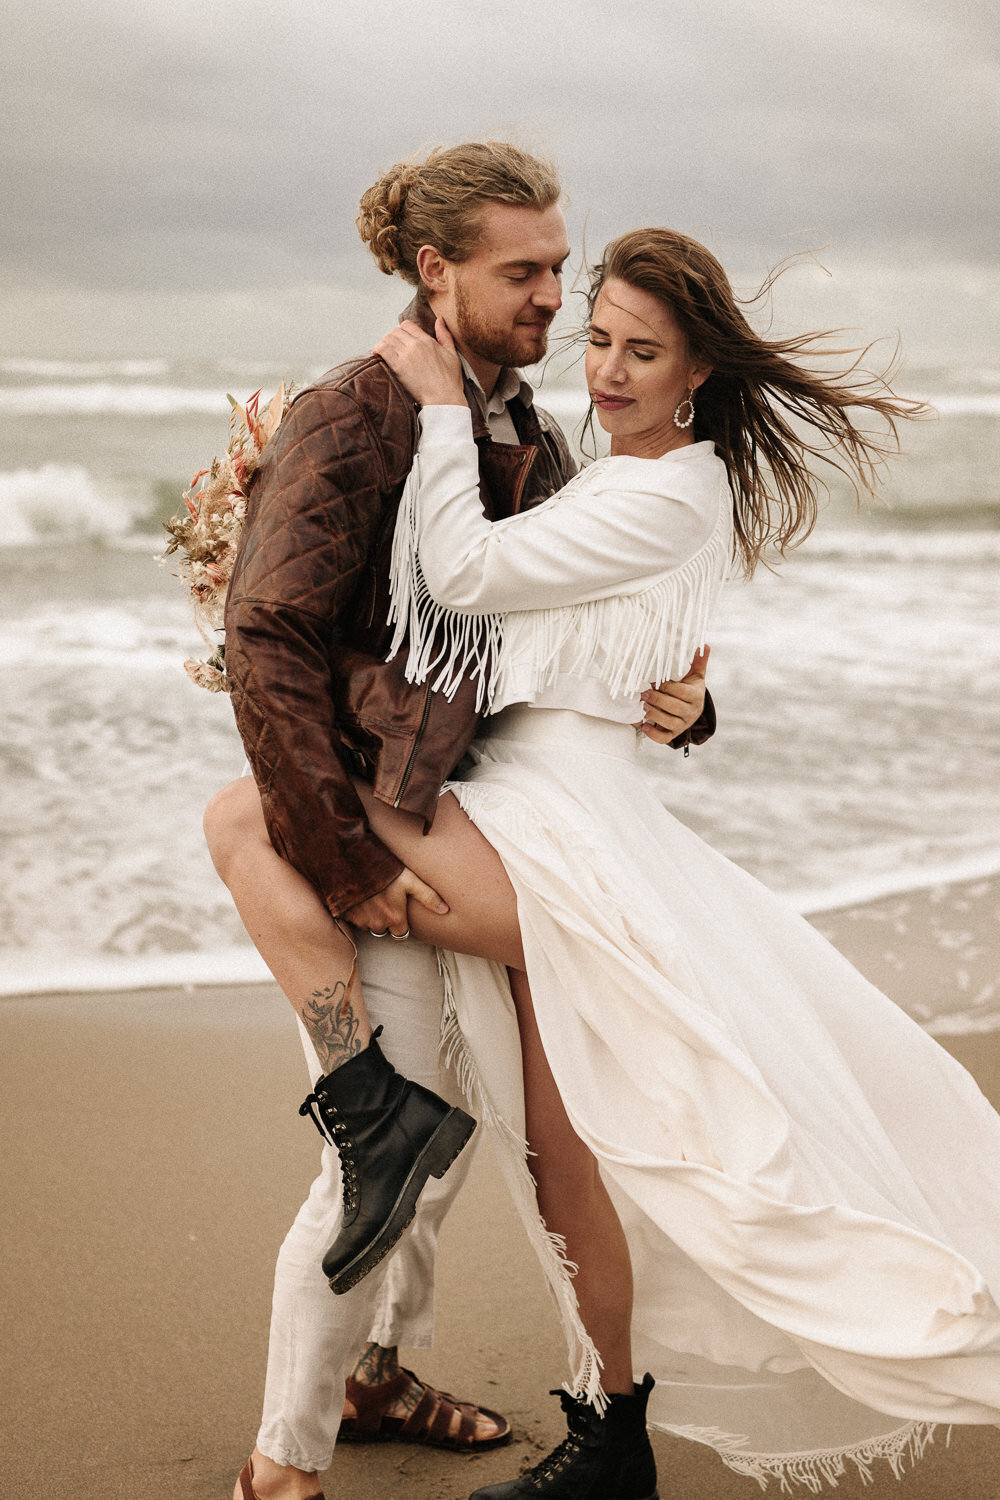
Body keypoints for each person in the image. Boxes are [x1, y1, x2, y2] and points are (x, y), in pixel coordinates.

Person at [233, 226, 1000, 1499]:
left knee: (236, 816)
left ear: (696, 367)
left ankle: (371, 1107)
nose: (608, 370)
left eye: (642, 352)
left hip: (557, 827)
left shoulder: (669, 487)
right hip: (521, 796)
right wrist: (688, 699)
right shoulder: (606, 476)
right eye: (597, 339)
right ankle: (611, 1435)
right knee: (559, 1157)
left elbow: (467, 572)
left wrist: (429, 415)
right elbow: (570, 640)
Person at [207, 143, 712, 1500]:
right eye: (526, 271)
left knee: (435, 1146)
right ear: (437, 271)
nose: (557, 293)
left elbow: (552, 625)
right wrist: (346, 855)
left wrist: (679, 699)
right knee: (380, 1153)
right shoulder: (357, 410)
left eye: (561, 265)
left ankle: (375, 1378)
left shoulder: (529, 426)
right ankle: (283, 1466)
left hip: (478, 815)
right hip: (382, 830)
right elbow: (268, 639)